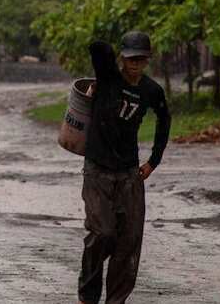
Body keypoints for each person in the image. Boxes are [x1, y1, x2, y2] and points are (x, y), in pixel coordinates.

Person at [78, 30, 171, 304]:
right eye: (130, 59)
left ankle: (116, 301)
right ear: (122, 58)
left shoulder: (151, 90)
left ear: (147, 60)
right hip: (97, 169)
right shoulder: (108, 78)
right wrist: (103, 67)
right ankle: (87, 296)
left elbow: (164, 119)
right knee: (102, 233)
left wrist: (154, 160)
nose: (135, 65)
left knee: (128, 241)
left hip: (129, 173)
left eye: (141, 59)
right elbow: (97, 48)